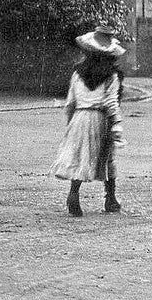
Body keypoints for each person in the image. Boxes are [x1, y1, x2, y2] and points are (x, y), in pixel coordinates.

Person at [51, 28, 127, 216]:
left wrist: (71, 123)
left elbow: (70, 102)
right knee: (108, 157)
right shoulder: (111, 75)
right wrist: (116, 123)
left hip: (79, 116)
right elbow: (111, 102)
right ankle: (110, 199)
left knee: (79, 156)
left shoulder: (77, 74)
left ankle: (73, 193)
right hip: (100, 118)